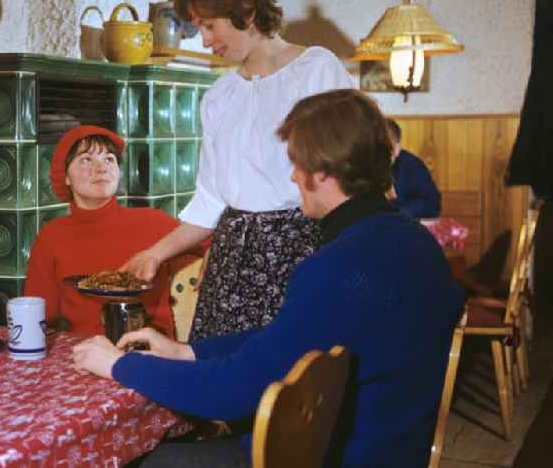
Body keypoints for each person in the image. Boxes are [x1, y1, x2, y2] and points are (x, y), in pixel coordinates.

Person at [74, 89, 465, 468]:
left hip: (336, 456)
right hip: (396, 448)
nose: (293, 177)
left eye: (297, 163)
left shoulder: (339, 266)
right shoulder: (411, 241)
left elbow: (231, 393)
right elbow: (289, 338)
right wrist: (187, 351)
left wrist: (118, 366)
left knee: (135, 461)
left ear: (325, 172)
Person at [123, 0, 352, 340]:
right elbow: (210, 201)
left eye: (210, 25)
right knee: (218, 382)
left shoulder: (317, 71)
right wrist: (155, 254)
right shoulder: (218, 98)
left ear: (246, 10)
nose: (206, 40)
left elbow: (349, 184)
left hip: (302, 258)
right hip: (230, 266)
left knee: (293, 387)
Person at [24, 125, 180, 337]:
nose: (102, 168)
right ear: (65, 176)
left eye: (109, 159)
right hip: (82, 353)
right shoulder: (51, 237)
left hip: (150, 354)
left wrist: (209, 252)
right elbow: (40, 317)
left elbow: (214, 243)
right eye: (87, 159)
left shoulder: (153, 222)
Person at [387, 118, 441, 218]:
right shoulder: (362, 166)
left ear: (396, 150)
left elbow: (433, 206)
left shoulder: (412, 166)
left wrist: (396, 209)